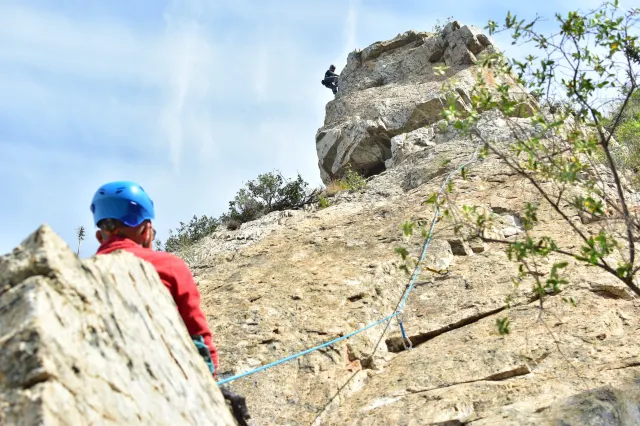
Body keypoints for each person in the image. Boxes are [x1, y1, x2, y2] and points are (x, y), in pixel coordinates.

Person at [90, 181, 250, 425]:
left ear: (99, 235)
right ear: (146, 230)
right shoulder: (168, 266)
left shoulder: (81, 274)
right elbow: (198, 335)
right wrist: (211, 384)